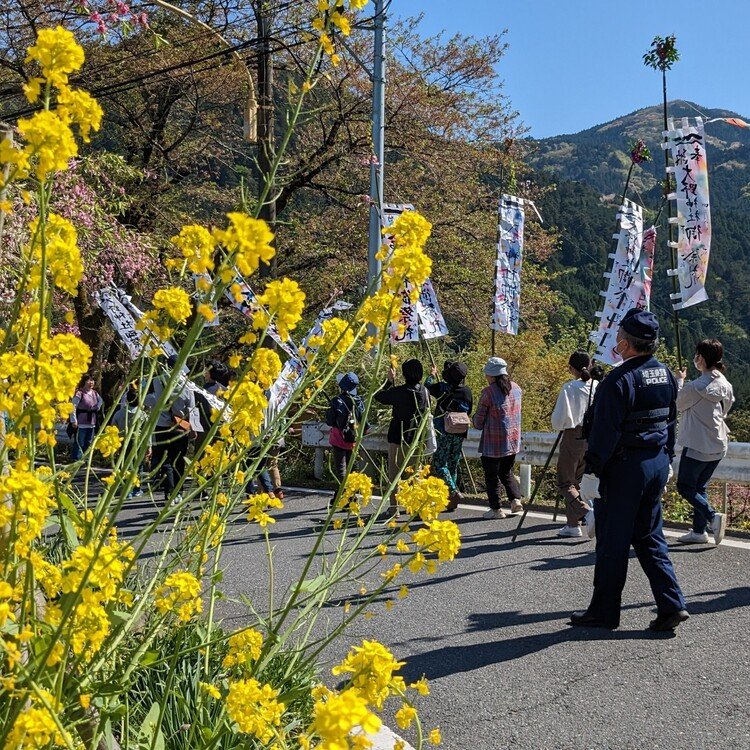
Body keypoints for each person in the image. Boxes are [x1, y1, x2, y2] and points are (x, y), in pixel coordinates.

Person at [574, 309, 688, 632]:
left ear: (625, 342)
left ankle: (604, 611)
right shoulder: (665, 374)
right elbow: (670, 423)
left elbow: (604, 434)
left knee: (612, 540)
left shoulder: (618, 380)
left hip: (624, 469)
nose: (617, 342)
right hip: (655, 463)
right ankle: (671, 604)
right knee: (650, 536)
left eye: (619, 337)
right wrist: (666, 458)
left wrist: (591, 472)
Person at [674, 339, 735, 545]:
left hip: (698, 445)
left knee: (684, 486)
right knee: (700, 487)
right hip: (719, 444)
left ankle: (711, 516)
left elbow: (678, 403)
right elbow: (727, 407)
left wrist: (679, 381)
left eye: (697, 354)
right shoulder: (724, 383)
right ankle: (699, 531)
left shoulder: (695, 386)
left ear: (701, 358)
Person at [373, 358, 430, 514]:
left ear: (404, 374)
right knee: (415, 476)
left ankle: (394, 508)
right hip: (416, 440)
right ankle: (416, 508)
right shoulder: (425, 391)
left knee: (395, 475)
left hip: (398, 437)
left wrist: (389, 381)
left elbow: (378, 395)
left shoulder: (398, 392)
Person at [553, 351, 598, 538]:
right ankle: (572, 525)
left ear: (572, 368)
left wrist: (558, 426)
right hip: (592, 437)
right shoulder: (597, 385)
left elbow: (560, 418)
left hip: (573, 435)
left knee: (565, 482)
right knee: (576, 482)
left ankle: (587, 513)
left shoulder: (570, 387)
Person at [473, 357, 523, 519]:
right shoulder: (516, 388)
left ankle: (496, 509)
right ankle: (515, 500)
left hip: (493, 443)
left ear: (493, 376)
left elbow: (478, 422)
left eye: (487, 374)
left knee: (492, 475)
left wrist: (473, 420)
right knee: (506, 470)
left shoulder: (488, 393)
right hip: (513, 440)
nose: (486, 378)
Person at [146, 362, 202, 504]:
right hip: (180, 427)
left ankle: (169, 492)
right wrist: (193, 427)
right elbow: (192, 407)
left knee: (165, 461)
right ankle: (178, 492)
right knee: (179, 461)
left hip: (161, 426)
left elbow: (150, 399)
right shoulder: (186, 384)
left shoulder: (157, 380)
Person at [426, 360, 473, 512]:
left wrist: (431, 375)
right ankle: (450, 500)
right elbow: (469, 410)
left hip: (444, 430)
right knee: (453, 463)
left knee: (440, 463)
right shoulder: (467, 391)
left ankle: (453, 491)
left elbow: (426, 388)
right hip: (460, 431)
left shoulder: (442, 388)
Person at [112, 383, 152, 498]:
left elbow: (113, 428)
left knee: (123, 465)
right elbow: (146, 432)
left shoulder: (119, 413)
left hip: (122, 442)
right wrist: (149, 446)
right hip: (138, 443)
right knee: (137, 466)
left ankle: (125, 489)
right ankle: (136, 488)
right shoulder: (142, 415)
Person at [327, 372, 366, 482]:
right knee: (351, 470)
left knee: (341, 471)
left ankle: (344, 493)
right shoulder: (359, 402)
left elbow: (329, 421)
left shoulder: (337, 401)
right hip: (353, 440)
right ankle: (348, 494)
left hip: (338, 439)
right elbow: (364, 423)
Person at [70, 374, 104, 461]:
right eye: (89, 380)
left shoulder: (95, 393)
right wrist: (74, 420)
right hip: (81, 422)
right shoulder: (79, 393)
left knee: (88, 442)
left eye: (92, 380)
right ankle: (76, 459)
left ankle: (85, 460)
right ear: (84, 381)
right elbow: (73, 407)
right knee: (79, 442)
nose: (91, 382)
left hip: (91, 422)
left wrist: (97, 407)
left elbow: (100, 401)